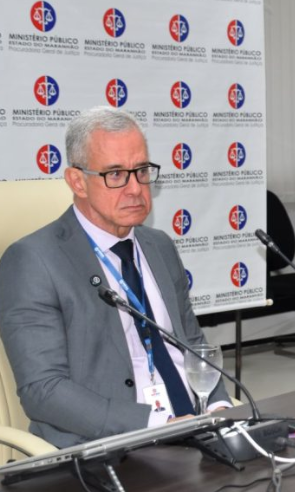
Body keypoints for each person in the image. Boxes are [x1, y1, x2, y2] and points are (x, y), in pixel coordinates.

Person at [0, 106, 230, 448]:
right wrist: (157, 425)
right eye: (116, 174)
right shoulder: (33, 260)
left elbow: (192, 343)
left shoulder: (159, 246)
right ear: (77, 181)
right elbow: (43, 390)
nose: (135, 188)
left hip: (193, 430)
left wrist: (218, 407)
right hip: (111, 447)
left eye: (141, 171)